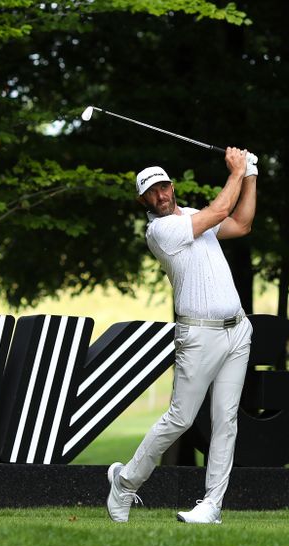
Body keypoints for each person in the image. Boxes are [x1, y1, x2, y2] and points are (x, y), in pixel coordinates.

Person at [106, 148, 257, 525]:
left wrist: (251, 175)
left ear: (172, 187)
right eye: (150, 193)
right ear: (143, 200)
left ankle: (212, 506)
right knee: (181, 418)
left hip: (236, 330)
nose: (159, 196)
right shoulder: (161, 231)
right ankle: (125, 482)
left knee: (226, 420)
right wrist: (237, 170)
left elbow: (240, 224)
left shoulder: (191, 216)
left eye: (163, 188)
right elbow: (221, 211)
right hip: (198, 335)